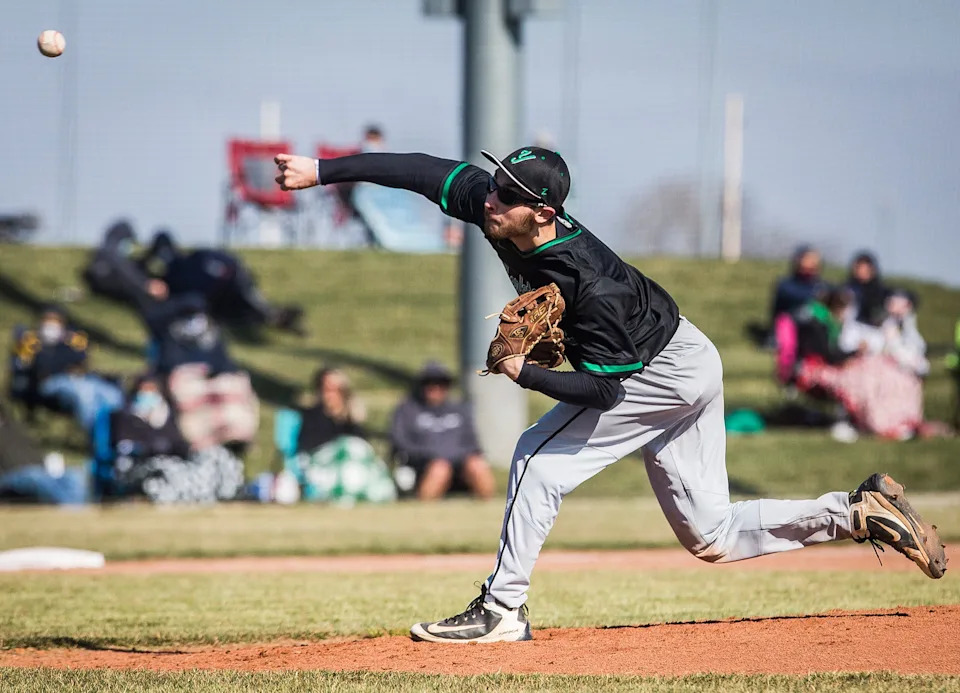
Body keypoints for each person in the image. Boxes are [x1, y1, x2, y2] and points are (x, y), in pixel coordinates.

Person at [274, 146, 947, 644]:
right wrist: (322, 171)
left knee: (538, 458)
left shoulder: (591, 286)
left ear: (543, 210)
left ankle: (502, 609)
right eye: (494, 185)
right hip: (678, 354)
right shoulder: (497, 206)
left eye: (506, 196)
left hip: (657, 369)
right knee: (710, 535)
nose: (489, 201)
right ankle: (856, 512)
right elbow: (423, 171)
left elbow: (602, 389)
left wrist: (523, 375)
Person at [139, 230, 305, 335]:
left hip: (231, 287)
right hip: (213, 303)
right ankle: (273, 317)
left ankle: (274, 316)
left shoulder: (196, 257)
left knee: (248, 299)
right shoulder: (171, 276)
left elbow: (229, 264)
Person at [390, 361, 494, 500]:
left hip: (460, 464)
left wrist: (458, 457)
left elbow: (473, 444)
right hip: (425, 466)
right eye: (429, 383)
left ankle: (489, 509)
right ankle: (424, 510)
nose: (435, 388)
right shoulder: (407, 410)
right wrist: (431, 456)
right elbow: (400, 443)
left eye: (441, 383)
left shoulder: (459, 410)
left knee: (477, 465)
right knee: (440, 469)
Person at [10, 305, 124, 431]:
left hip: (79, 379)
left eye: (56, 321)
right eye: (48, 320)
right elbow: (34, 366)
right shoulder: (31, 341)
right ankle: (93, 433)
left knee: (112, 394)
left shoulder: (72, 340)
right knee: (84, 393)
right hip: (49, 383)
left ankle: (116, 433)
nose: (51, 326)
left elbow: (81, 362)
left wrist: (65, 347)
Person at [770, 245, 829, 326]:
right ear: (798, 261)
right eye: (808, 259)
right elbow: (797, 297)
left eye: (815, 260)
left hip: (812, 330)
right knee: (810, 309)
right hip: (788, 326)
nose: (813, 263)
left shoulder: (822, 285)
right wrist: (818, 296)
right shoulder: (786, 284)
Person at [845, 251, 890, 327]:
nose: (862, 272)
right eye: (859, 268)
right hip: (851, 326)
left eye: (865, 269)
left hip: (874, 328)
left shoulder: (880, 291)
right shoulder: (848, 288)